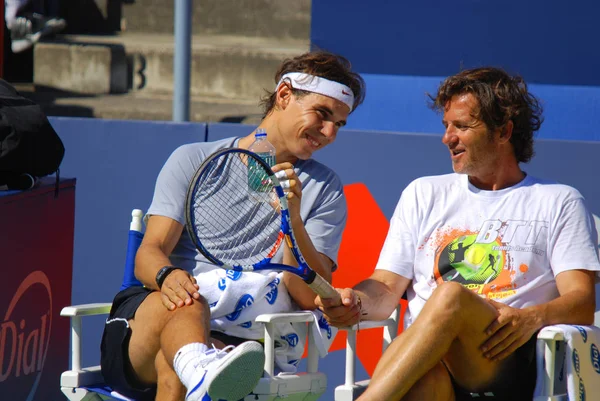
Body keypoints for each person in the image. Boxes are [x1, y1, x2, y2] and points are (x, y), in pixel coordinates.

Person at [316, 67, 600, 401]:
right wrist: (354, 302)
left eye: (462, 126)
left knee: (450, 295)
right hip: (430, 364)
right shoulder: (422, 193)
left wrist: (532, 317)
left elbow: (581, 301)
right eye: (446, 125)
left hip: (504, 360)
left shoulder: (558, 200)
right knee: (420, 381)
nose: (447, 137)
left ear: (503, 131)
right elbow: (386, 288)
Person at [100, 50, 366, 401]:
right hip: (149, 328)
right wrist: (168, 277)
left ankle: (200, 369)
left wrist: (293, 220)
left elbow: (307, 294)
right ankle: (202, 367)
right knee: (189, 306)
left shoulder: (325, 189)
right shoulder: (192, 159)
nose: (330, 132)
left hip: (241, 345)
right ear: (284, 95)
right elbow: (149, 254)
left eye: (340, 124)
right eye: (322, 114)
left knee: (178, 360)